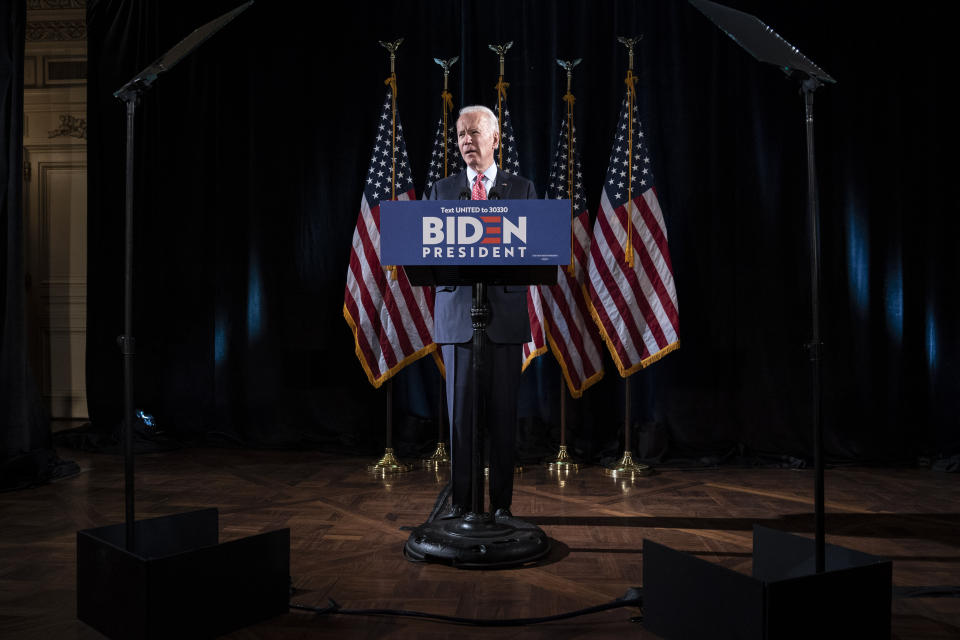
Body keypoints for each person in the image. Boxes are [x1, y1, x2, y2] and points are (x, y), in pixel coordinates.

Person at [426, 105, 536, 521]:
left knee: (503, 416)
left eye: (474, 133)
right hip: (458, 317)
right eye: (460, 135)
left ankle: (502, 506)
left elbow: (532, 249)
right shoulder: (441, 190)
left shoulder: (521, 189)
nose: (466, 141)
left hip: (504, 317)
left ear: (495, 138)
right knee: (460, 419)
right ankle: (461, 503)